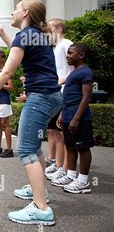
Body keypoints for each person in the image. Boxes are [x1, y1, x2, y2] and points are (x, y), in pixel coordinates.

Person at [0, 0, 63, 225]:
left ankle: (41, 209)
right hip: (52, 96)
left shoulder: (26, 36)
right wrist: (3, 34)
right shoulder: (35, 35)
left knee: (25, 150)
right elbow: (17, 48)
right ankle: (39, 191)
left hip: (40, 97)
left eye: (15, 9)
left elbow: (6, 73)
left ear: (25, 13)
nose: (12, 12)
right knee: (34, 147)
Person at [55, 43, 94, 193]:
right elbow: (68, 98)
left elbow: (86, 97)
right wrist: (62, 113)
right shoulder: (73, 72)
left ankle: (83, 181)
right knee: (70, 146)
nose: (67, 55)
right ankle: (71, 175)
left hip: (80, 119)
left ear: (81, 55)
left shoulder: (85, 72)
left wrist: (76, 118)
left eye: (71, 53)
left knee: (82, 147)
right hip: (68, 116)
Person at [44, 18, 73, 182]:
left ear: (59, 29)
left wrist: (59, 82)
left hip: (65, 93)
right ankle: (57, 163)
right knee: (54, 130)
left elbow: (75, 68)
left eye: (50, 29)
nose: (48, 33)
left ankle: (65, 168)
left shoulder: (67, 44)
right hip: (55, 93)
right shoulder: (55, 48)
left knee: (62, 133)